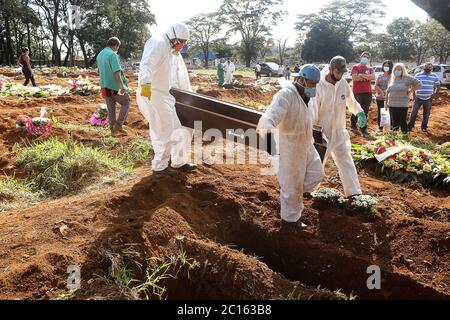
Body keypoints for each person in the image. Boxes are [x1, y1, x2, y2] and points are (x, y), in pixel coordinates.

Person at [257, 65, 324, 228]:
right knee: (291, 183)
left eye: (316, 84)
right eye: (312, 83)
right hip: (288, 147)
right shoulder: (286, 94)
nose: (314, 87)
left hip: (306, 144)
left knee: (317, 173)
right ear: (302, 79)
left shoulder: (307, 97)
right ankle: (290, 220)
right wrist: (268, 136)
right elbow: (270, 116)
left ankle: (293, 192)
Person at [137, 23, 197, 175]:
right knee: (163, 130)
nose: (182, 46)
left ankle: (179, 161)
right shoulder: (158, 42)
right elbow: (147, 63)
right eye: (182, 42)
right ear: (175, 38)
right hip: (151, 92)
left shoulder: (170, 50)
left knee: (178, 128)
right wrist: (145, 84)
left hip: (164, 94)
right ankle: (160, 166)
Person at [312, 56, 366, 198]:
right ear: (330, 69)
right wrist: (313, 132)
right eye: (337, 72)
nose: (340, 75)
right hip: (322, 133)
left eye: (342, 72)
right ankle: (308, 191)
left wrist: (359, 112)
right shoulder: (319, 85)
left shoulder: (342, 83)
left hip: (339, 131)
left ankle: (354, 193)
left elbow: (350, 100)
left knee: (346, 160)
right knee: (317, 164)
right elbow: (312, 111)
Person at [97, 37, 130, 136]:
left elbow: (99, 71)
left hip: (104, 86)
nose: (117, 49)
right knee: (126, 102)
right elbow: (116, 71)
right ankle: (118, 126)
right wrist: (121, 85)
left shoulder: (99, 55)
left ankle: (112, 129)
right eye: (118, 47)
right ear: (115, 45)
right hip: (114, 86)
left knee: (111, 107)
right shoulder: (112, 55)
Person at [385, 63, 422, 134]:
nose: (397, 71)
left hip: (402, 104)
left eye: (399, 69)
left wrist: (411, 91)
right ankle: (394, 137)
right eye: (395, 69)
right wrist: (386, 103)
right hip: (392, 104)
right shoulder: (392, 79)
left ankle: (404, 135)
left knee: (402, 121)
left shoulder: (407, 78)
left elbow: (419, 84)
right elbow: (387, 91)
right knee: (394, 121)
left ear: (403, 70)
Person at [408, 62, 440, 133]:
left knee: (426, 114)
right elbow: (413, 85)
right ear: (424, 67)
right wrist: (413, 95)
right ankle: (410, 126)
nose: (428, 68)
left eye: (430, 67)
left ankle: (424, 127)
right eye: (427, 66)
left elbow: (438, 85)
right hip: (418, 97)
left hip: (428, 98)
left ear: (432, 68)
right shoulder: (418, 75)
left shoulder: (435, 76)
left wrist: (435, 94)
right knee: (413, 112)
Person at [350, 52, 375, 135]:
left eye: (367, 57)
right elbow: (355, 78)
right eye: (364, 56)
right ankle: (353, 125)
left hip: (367, 92)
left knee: (365, 111)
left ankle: (363, 128)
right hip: (357, 92)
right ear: (360, 57)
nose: (365, 58)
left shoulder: (370, 68)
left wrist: (361, 75)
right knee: (356, 110)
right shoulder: (355, 67)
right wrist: (366, 76)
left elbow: (373, 77)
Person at [375, 60, 393, 133]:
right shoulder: (380, 76)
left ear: (391, 67)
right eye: (385, 65)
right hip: (380, 97)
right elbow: (376, 85)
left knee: (390, 112)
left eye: (388, 66)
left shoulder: (393, 76)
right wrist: (381, 92)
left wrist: (387, 93)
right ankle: (380, 128)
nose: (386, 67)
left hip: (390, 98)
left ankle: (390, 128)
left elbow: (394, 86)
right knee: (380, 112)